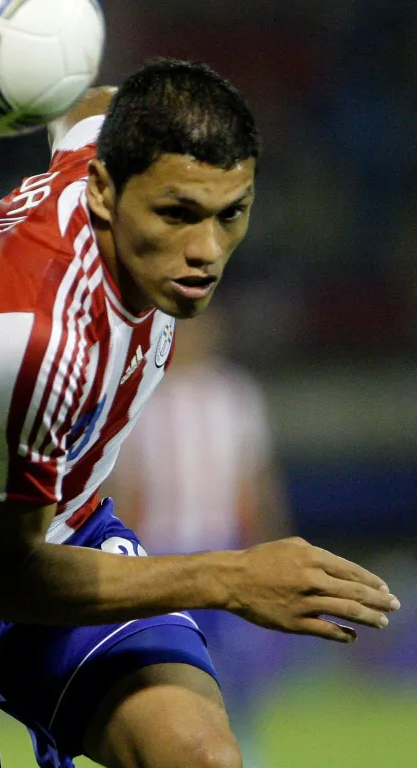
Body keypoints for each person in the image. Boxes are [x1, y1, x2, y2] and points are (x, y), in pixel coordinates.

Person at [0, 60, 400, 767]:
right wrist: (229, 578)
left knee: (200, 757)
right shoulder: (38, 337)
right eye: (175, 214)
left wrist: (42, 51)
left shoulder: (108, 152)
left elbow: (93, 96)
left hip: (54, 525)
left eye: (230, 213)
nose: (204, 251)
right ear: (104, 190)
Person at [103, 311, 293, 766]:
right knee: (166, 666)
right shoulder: (143, 395)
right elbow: (124, 485)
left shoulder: (234, 394)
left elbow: (254, 479)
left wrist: (268, 544)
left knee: (238, 668)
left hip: (223, 547)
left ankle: (245, 750)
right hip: (162, 550)